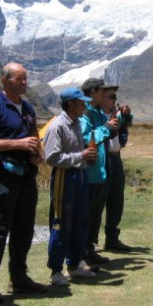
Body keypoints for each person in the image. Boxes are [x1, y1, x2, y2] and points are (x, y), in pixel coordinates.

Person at [0, 62, 47, 303]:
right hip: (2, 176)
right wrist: (17, 145)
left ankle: (19, 277)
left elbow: (34, 138)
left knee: (24, 228)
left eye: (26, 79)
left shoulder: (27, 108)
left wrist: (36, 154)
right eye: (20, 79)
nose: (25, 83)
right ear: (5, 81)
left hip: (26, 176)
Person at [44, 88, 98, 286]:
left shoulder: (76, 124)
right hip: (64, 178)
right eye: (81, 102)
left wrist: (85, 158)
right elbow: (51, 157)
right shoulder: (57, 126)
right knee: (61, 222)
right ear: (71, 104)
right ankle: (56, 270)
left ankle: (74, 265)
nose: (84, 105)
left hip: (80, 176)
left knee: (80, 221)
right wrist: (81, 156)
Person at [79, 78, 119, 265]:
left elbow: (108, 132)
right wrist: (106, 129)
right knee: (85, 216)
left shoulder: (95, 112)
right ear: (93, 92)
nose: (105, 95)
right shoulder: (85, 113)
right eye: (102, 91)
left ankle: (89, 250)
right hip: (88, 173)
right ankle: (81, 254)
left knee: (95, 215)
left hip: (98, 171)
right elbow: (86, 138)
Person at [99, 86, 134, 252]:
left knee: (116, 199)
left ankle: (112, 238)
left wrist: (126, 115)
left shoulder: (116, 115)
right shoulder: (95, 116)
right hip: (102, 159)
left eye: (114, 97)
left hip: (116, 157)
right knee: (98, 200)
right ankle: (91, 242)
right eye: (110, 96)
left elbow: (127, 122)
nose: (113, 99)